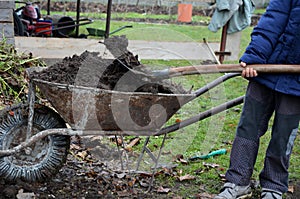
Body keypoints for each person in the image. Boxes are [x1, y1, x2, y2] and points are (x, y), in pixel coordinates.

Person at [214, 0, 300, 198]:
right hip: (266, 69)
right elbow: (272, 22)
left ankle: (274, 185)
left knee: (283, 135)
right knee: (249, 126)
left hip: (296, 83)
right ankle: (237, 181)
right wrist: (255, 57)